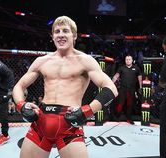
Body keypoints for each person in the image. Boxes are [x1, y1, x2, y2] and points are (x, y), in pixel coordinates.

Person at [12, 15, 118, 158]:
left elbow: (111, 89)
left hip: (69, 124)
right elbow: (19, 86)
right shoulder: (41, 61)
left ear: (74, 36)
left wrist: (87, 111)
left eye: (65, 31)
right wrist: (21, 106)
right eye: (57, 31)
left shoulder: (85, 61)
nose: (61, 35)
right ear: (52, 36)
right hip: (40, 123)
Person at [112, 55, 142, 124]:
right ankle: (117, 117)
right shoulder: (122, 68)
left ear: (132, 60)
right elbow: (116, 76)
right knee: (120, 103)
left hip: (132, 89)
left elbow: (139, 77)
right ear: (125, 60)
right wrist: (111, 83)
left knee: (130, 104)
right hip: (123, 89)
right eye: (126, 59)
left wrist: (140, 86)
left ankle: (129, 118)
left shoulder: (136, 68)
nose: (128, 61)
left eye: (129, 59)